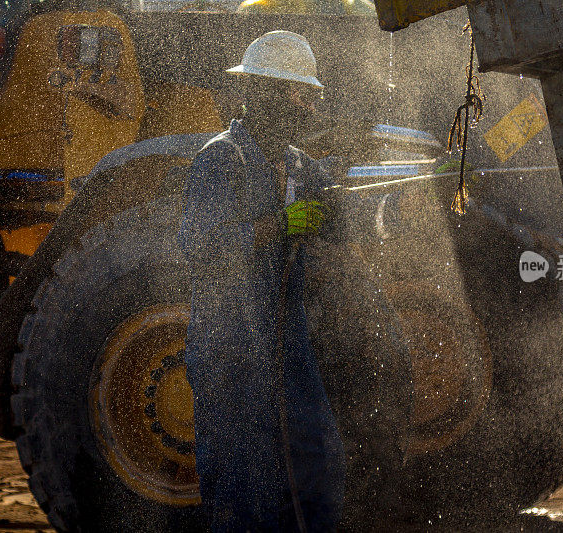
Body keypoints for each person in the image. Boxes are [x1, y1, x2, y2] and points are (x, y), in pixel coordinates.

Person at [178, 30, 346, 532]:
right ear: (265, 95)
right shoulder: (221, 160)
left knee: (315, 459)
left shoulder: (299, 165)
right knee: (241, 479)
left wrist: (336, 206)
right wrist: (280, 225)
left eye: (308, 95)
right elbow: (200, 249)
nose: (307, 105)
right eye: (298, 93)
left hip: (285, 340)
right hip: (229, 344)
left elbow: (336, 225)